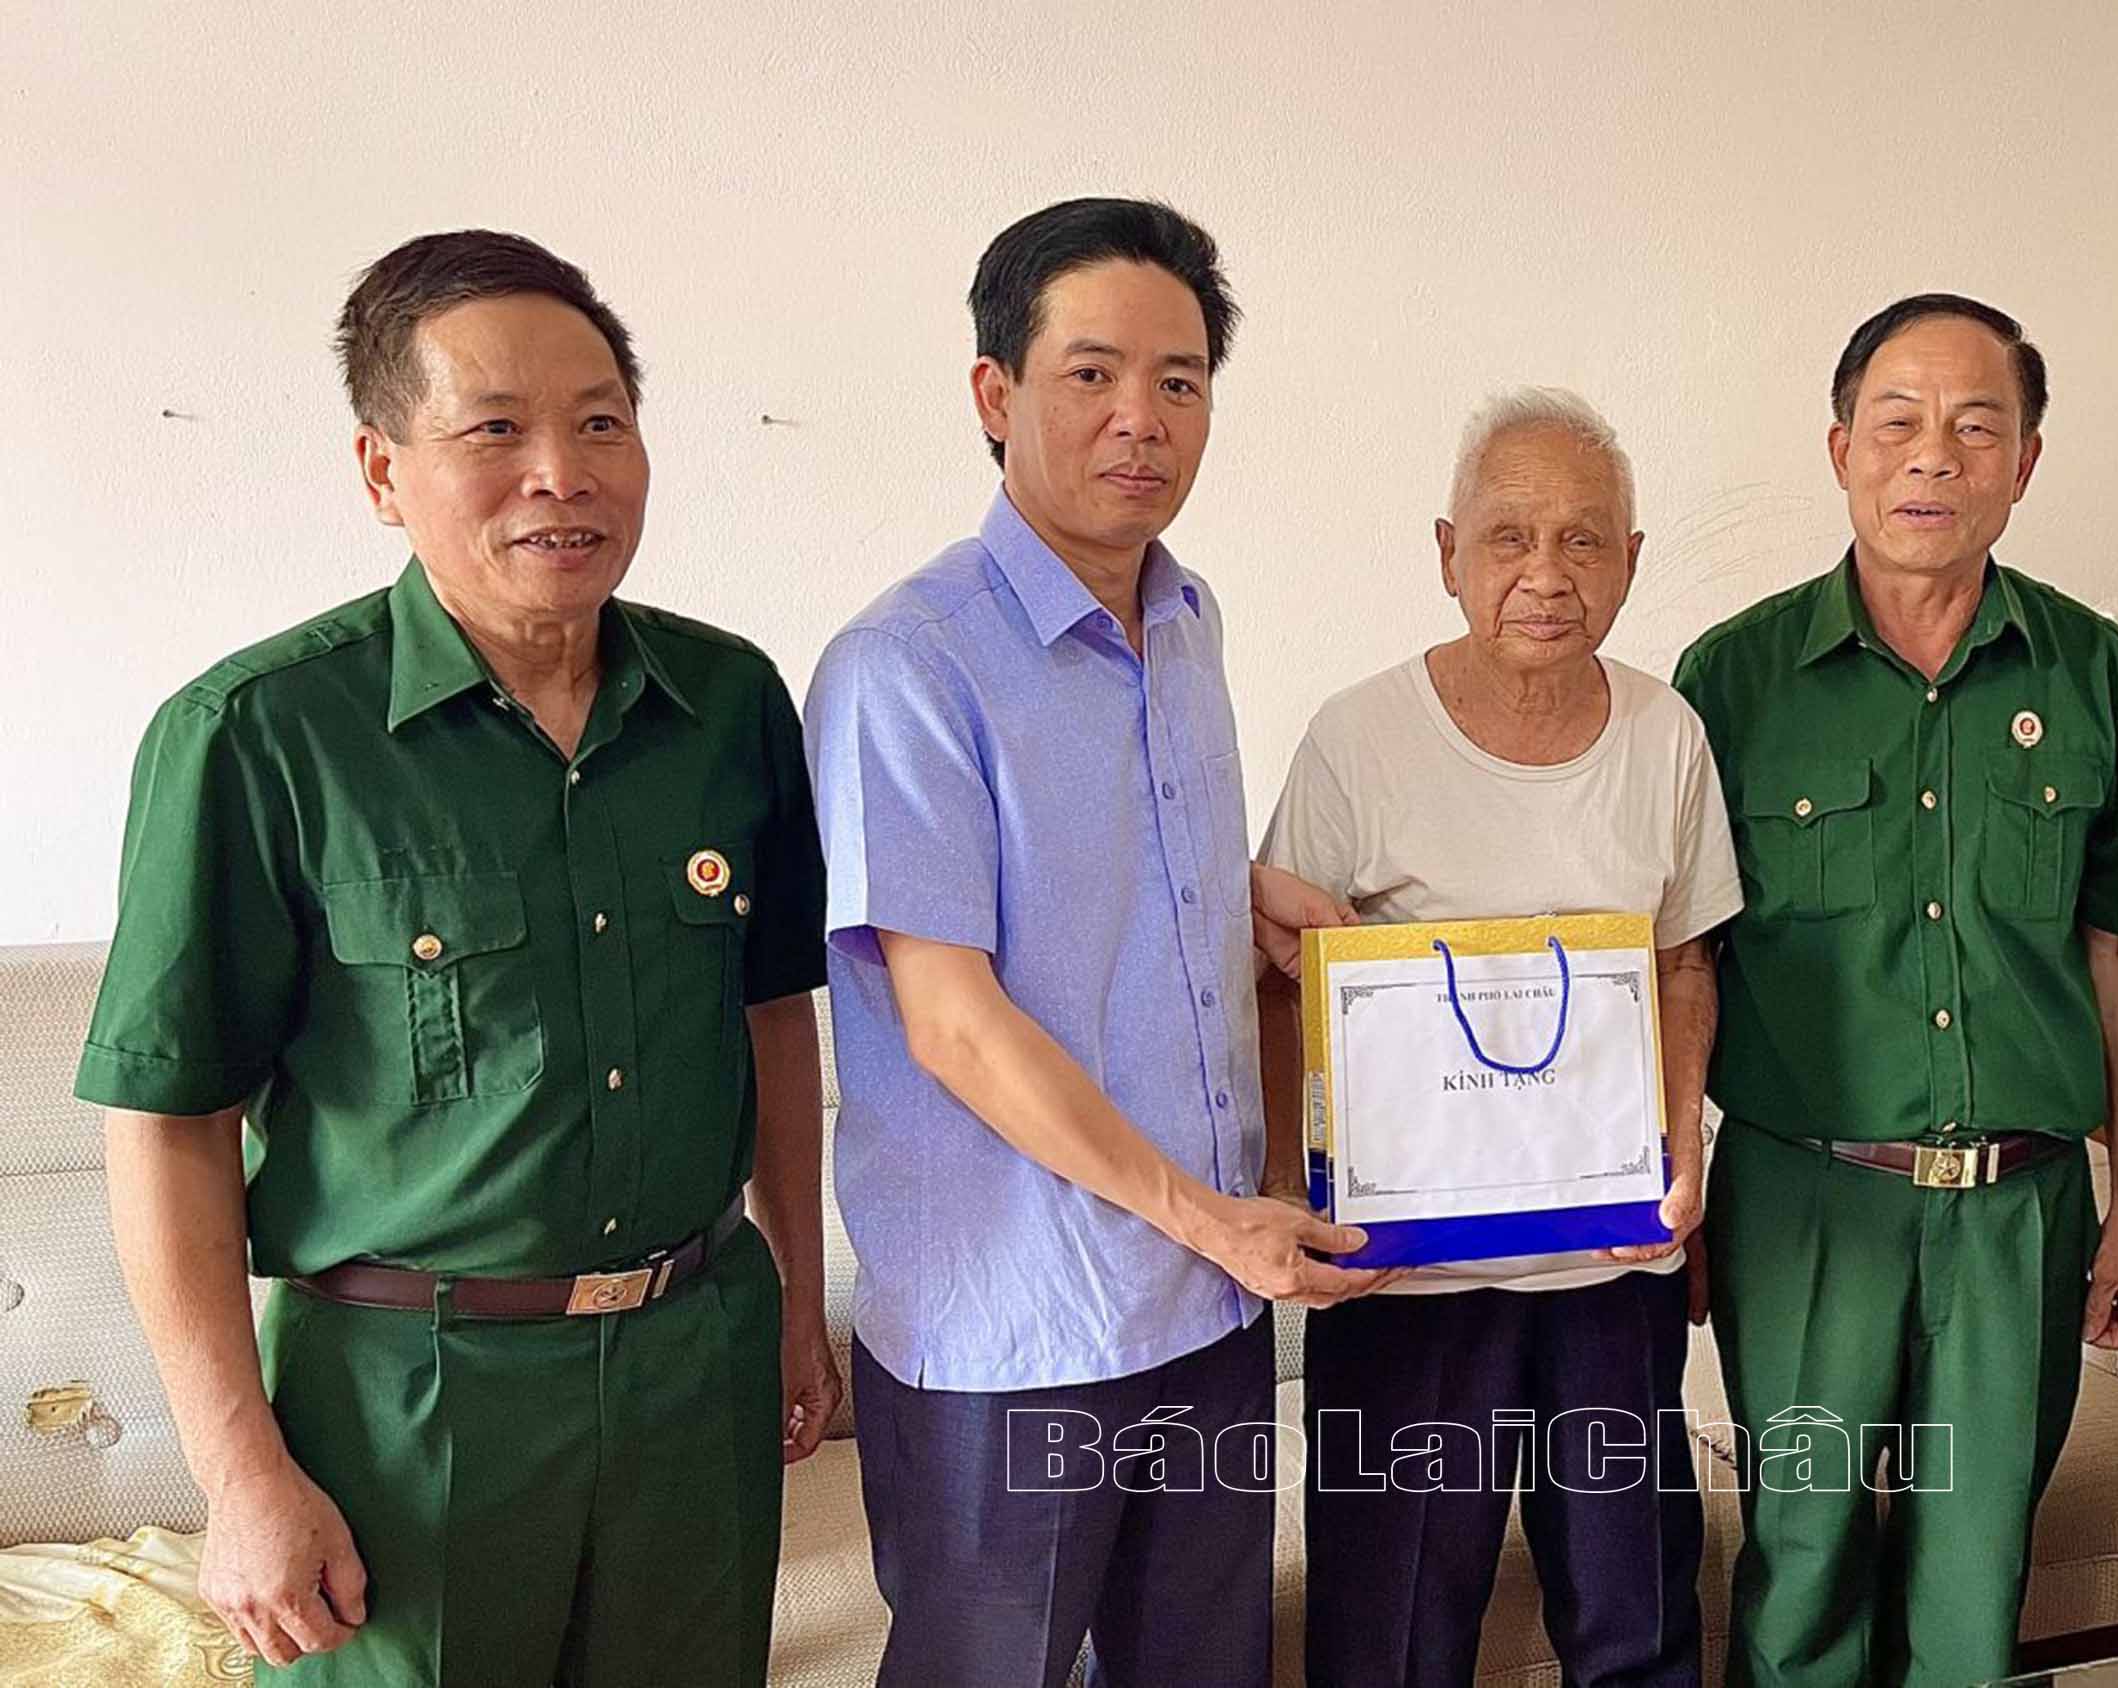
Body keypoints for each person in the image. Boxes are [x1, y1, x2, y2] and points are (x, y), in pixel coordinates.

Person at [78, 229, 836, 1686]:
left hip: (696, 1363)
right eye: (496, 430)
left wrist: (797, 1296)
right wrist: (241, 1478)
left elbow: (770, 1016)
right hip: (405, 1404)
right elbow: (170, 1122)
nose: (565, 471)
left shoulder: (730, 702)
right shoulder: (256, 737)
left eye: (602, 421)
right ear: (382, 472)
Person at [803, 196, 1380, 1688]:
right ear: (995, 395)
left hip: (1201, 1309)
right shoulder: (905, 663)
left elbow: (1125, 890)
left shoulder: (1190, 624)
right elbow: (951, 1019)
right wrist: (1213, 1218)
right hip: (1017, 1338)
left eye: (1180, 381)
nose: (1143, 418)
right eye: (1092, 374)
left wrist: (1244, 889)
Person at [1671, 294, 2118, 1685]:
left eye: (1977, 427)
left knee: (1976, 1580)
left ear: (2024, 463)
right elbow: (1682, 966)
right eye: (1899, 424)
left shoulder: (2097, 674)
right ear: (1842, 447)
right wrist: (1672, 1185)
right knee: (1803, 1558)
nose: (1933, 458)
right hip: (1803, 1200)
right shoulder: (1730, 681)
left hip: (2020, 1210)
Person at [1258, 387, 1742, 1687]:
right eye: (1511, 536)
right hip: (1406, 1286)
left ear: (1632, 563)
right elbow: (1277, 975)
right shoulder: (1358, 739)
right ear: (1447, 553)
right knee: (1393, 1634)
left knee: (1634, 1622)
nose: (1547, 572)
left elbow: (1688, 962)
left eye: (1587, 540)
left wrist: (1684, 1144)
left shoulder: (1668, 737)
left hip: (1608, 1272)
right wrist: (1280, 1195)